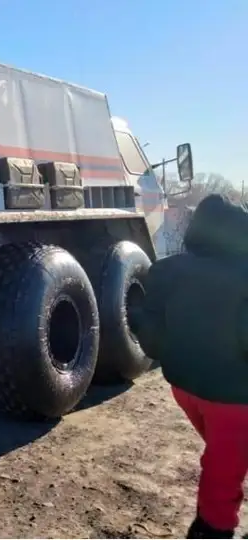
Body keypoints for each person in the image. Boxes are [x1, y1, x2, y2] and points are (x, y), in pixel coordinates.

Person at [135, 194, 248, 539]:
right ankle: (211, 530)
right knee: (223, 470)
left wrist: (173, 352)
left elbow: (148, 329)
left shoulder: (166, 270)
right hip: (234, 396)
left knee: (223, 456)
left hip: (184, 386)